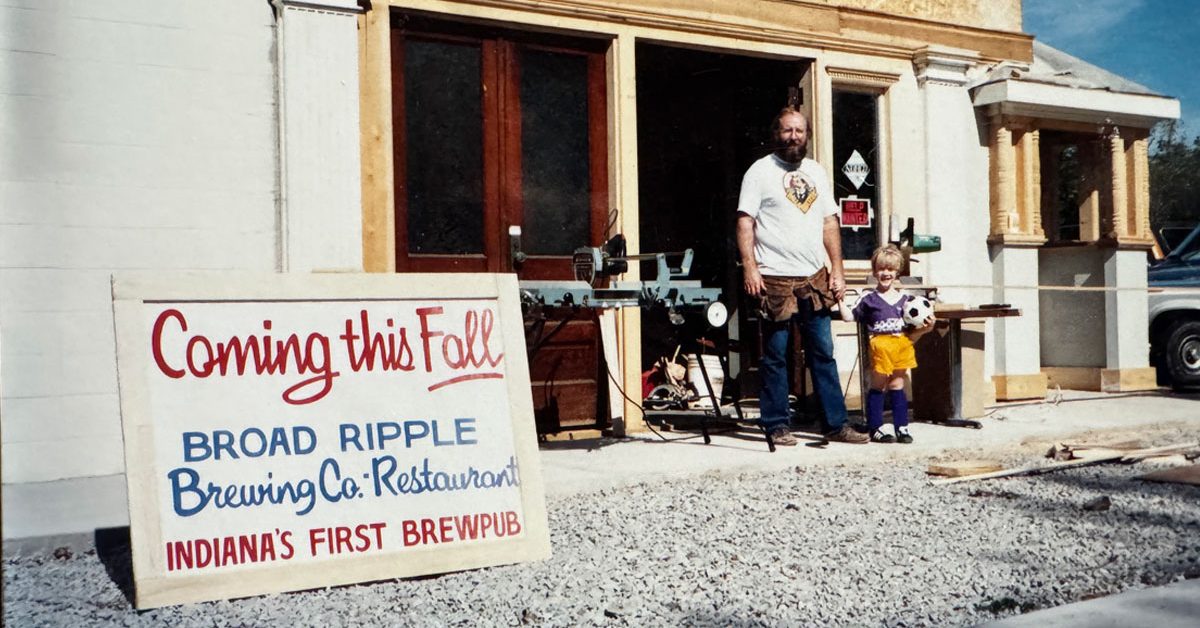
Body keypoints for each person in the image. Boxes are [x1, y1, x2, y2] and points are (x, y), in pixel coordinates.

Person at [736, 107, 867, 446]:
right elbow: (745, 221)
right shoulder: (759, 171)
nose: (793, 136)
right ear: (775, 133)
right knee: (776, 355)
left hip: (814, 278)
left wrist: (838, 269)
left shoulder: (816, 172)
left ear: (807, 135)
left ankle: (835, 424)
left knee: (823, 353)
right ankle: (777, 425)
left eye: (799, 131)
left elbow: (829, 222)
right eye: (787, 130)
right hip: (775, 279)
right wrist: (750, 266)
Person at [838, 245, 935, 443]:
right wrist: (839, 299)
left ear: (897, 271)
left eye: (890, 269)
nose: (886, 273)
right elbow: (849, 317)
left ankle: (902, 427)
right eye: (881, 269)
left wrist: (927, 327)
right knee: (879, 385)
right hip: (880, 346)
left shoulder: (907, 301)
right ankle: (875, 427)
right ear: (874, 271)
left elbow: (912, 331)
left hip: (902, 345)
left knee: (897, 385)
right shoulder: (868, 299)